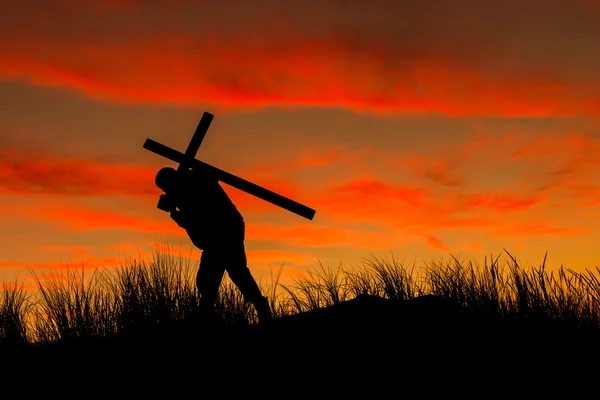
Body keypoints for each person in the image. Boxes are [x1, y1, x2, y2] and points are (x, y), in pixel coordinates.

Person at [154, 166, 272, 324]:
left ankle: (210, 314)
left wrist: (174, 211)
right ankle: (211, 314)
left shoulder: (194, 183)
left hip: (226, 231)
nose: (167, 191)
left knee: (229, 274)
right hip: (219, 235)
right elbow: (192, 223)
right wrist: (174, 211)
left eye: (166, 188)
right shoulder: (184, 190)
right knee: (218, 277)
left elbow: (195, 216)